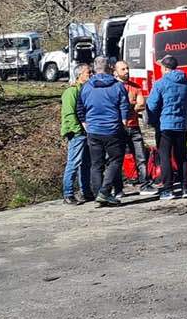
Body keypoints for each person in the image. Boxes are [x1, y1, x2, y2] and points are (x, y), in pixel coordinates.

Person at [75, 56, 134, 206]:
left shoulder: (86, 87)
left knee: (96, 164)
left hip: (93, 130)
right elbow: (124, 106)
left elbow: (80, 108)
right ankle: (105, 192)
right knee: (115, 160)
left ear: (94, 68)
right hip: (112, 129)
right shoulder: (117, 86)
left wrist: (85, 124)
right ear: (110, 68)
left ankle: (98, 196)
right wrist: (124, 122)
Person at [147, 53, 187, 200]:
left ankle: (168, 189)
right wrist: (184, 114)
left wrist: (153, 121)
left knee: (165, 157)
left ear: (165, 68)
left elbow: (152, 105)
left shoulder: (160, 83)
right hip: (181, 125)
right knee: (181, 157)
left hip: (164, 125)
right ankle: (185, 188)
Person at [115, 60, 154, 194]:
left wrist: (127, 107)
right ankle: (118, 189)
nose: (127, 71)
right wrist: (131, 105)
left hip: (134, 127)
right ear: (116, 72)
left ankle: (144, 184)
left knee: (141, 157)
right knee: (116, 159)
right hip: (119, 128)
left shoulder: (135, 87)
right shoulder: (113, 88)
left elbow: (141, 104)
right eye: (123, 69)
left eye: (127, 68)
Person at [59, 63, 92, 204]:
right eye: (88, 72)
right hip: (77, 133)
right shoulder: (71, 92)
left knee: (86, 163)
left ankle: (86, 191)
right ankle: (68, 194)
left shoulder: (86, 90)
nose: (91, 75)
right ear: (79, 75)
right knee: (74, 162)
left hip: (86, 132)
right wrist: (78, 130)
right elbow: (69, 114)